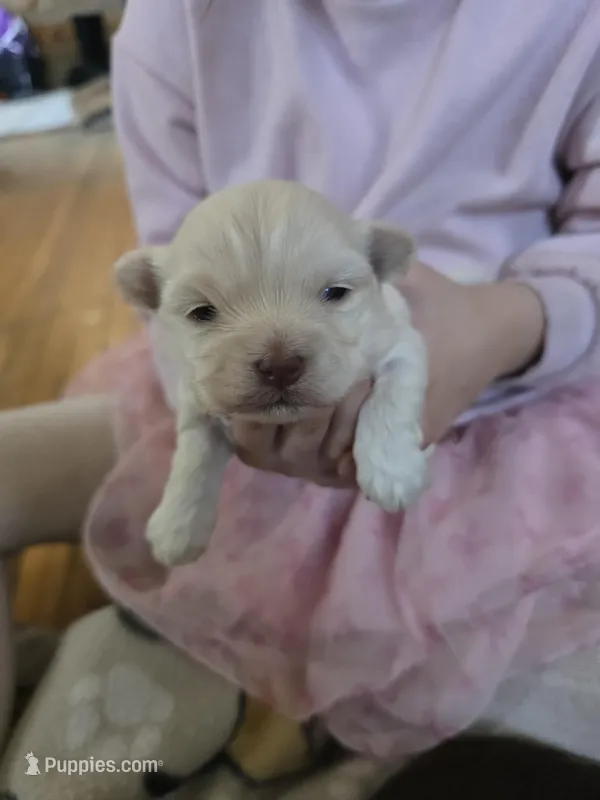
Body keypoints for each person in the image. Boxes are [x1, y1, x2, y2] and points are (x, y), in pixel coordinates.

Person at [2, 0, 600, 759]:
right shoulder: (175, 17)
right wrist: (209, 407)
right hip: (227, 418)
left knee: (497, 694)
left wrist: (507, 325)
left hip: (519, 404)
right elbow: (173, 284)